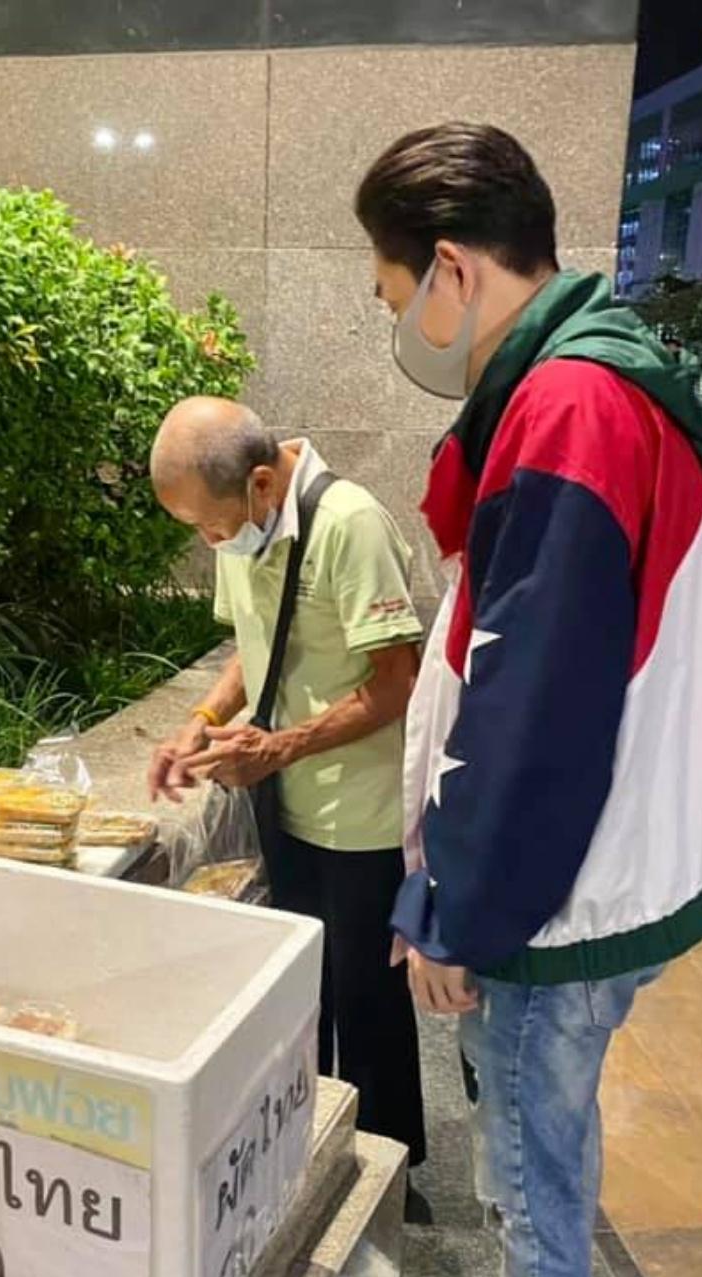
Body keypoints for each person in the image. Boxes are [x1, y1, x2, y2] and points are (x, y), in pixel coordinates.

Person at [352, 124, 702, 1277]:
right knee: (535, 1150)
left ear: (453, 268)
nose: (401, 323)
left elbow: (531, 708)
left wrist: (454, 911)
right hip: (595, 866)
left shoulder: (571, 407)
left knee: (534, 1171)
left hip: (561, 891)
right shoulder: (589, 382)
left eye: (395, 292)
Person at [147, 397, 427, 1163]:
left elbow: (397, 682)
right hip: (285, 801)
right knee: (301, 994)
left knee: (368, 1004)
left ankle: (387, 1169)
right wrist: (202, 720)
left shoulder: (349, 525)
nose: (209, 542)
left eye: (210, 526)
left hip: (360, 813)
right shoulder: (246, 524)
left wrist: (281, 747)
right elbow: (254, 647)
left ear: (262, 484)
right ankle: (306, 1152)